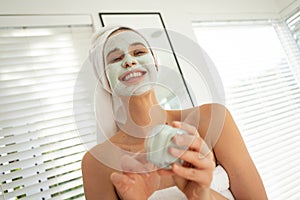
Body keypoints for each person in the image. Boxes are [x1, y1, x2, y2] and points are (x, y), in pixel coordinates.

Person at [81, 26, 268, 200]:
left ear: (154, 62)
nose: (130, 61)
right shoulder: (96, 163)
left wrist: (200, 194)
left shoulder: (212, 119)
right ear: (104, 78)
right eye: (116, 58)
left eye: (139, 52)